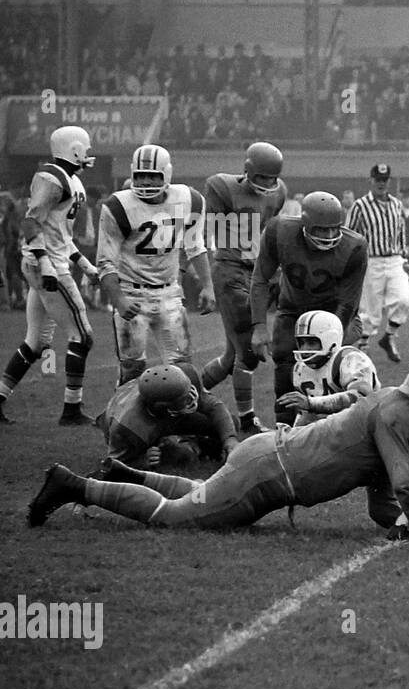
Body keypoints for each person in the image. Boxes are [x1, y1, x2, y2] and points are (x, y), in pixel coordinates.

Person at [29, 361, 409, 539]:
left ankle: (131, 475)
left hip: (266, 459)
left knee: (198, 493)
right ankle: (73, 485)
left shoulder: (391, 403)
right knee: (173, 516)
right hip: (265, 473)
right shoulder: (397, 415)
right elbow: (408, 486)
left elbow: (384, 506)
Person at [0, 126, 98, 426]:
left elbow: (61, 237)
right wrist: (45, 265)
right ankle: (71, 410)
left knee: (36, 342)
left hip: (48, 262)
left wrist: (85, 265)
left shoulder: (72, 181)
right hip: (47, 268)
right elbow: (31, 223)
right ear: (75, 148)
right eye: (86, 146)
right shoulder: (53, 178)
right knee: (82, 336)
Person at [97, 144, 216, 385]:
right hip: (132, 292)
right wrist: (119, 299)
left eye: (153, 176)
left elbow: (195, 246)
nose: (147, 182)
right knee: (132, 369)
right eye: (141, 176)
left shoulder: (189, 199)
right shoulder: (118, 205)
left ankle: (181, 419)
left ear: (167, 174)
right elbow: (105, 261)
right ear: (132, 174)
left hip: (169, 293)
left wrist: (207, 286)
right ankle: (125, 420)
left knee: (183, 367)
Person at [250, 191, 368, 425]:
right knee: (284, 358)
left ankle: (342, 425)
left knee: (335, 364)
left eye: (335, 228)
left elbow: (348, 302)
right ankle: (283, 427)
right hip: (293, 309)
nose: (329, 235)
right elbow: (261, 279)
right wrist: (259, 327)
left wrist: (331, 338)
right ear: (305, 225)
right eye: (322, 229)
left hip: (335, 314)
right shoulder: (279, 232)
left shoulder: (354, 246)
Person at [200, 141, 287, 434]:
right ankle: (247, 420)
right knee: (247, 353)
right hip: (230, 271)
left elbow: (270, 232)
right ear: (248, 171)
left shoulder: (280, 192)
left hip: (257, 272)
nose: (266, 183)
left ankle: (187, 400)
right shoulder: (221, 188)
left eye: (270, 178)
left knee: (230, 359)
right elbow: (214, 231)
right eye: (260, 177)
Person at [97, 362, 238, 469]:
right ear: (163, 406)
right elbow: (112, 465)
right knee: (181, 455)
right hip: (141, 426)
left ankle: (199, 444)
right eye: (184, 398)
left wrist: (230, 439)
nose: (192, 398)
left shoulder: (183, 373)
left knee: (229, 424)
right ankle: (182, 444)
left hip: (165, 416)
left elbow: (213, 405)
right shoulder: (129, 426)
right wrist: (141, 460)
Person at [348, 163, 409, 362]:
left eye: (384, 180)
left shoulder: (396, 204)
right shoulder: (360, 206)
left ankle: (389, 336)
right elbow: (349, 233)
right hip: (372, 261)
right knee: (371, 312)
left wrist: (403, 258)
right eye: (378, 180)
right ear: (371, 180)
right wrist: (350, 262)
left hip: (394, 260)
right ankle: (363, 347)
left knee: (403, 300)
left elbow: (400, 232)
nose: (381, 184)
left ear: (389, 181)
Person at [275, 310, 379, 427]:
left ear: (330, 339)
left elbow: (361, 398)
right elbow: (308, 415)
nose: (305, 348)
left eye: (311, 342)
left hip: (367, 428)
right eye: (302, 342)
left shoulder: (349, 359)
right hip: (334, 432)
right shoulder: (300, 369)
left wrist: (311, 403)